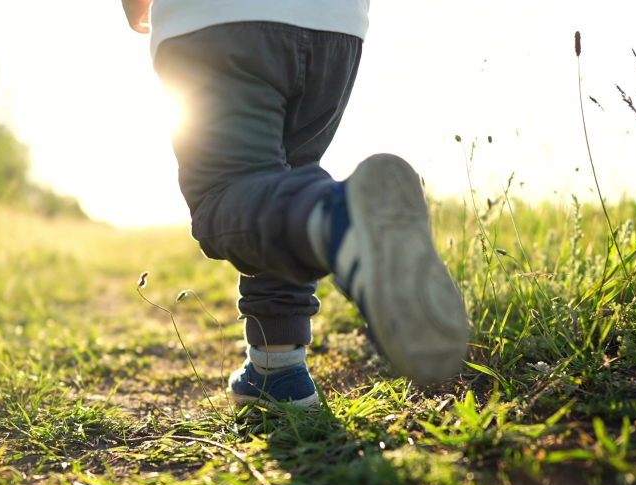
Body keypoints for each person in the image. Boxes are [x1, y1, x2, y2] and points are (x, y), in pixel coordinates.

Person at [121, 0, 469, 408]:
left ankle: (339, 219)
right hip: (335, 30)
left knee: (225, 193)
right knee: (284, 185)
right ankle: (277, 368)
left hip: (219, 21)